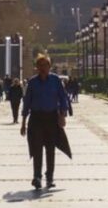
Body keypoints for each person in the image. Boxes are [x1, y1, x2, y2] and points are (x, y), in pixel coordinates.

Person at [21, 54, 71, 190]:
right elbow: (27, 102)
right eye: (40, 65)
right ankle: (37, 177)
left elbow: (63, 98)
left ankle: (49, 177)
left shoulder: (55, 80)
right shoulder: (32, 82)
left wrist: (62, 115)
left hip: (51, 118)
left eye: (45, 65)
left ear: (49, 67)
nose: (43, 68)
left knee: (50, 149)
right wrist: (23, 122)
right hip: (36, 118)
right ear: (36, 67)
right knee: (36, 148)